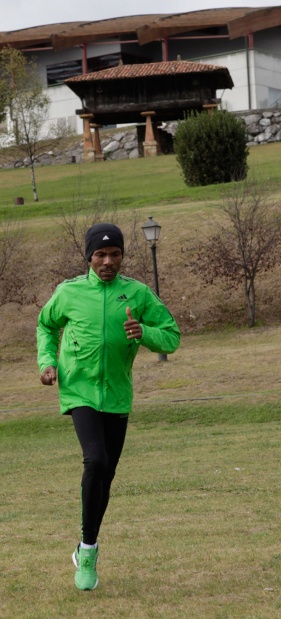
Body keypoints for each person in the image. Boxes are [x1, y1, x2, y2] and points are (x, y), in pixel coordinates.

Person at [37, 222, 180, 591]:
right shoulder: (68, 293)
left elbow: (172, 335)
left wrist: (144, 334)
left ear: (121, 256)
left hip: (117, 395)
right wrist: (47, 362)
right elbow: (45, 325)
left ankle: (87, 543)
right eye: (100, 254)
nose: (107, 261)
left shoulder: (137, 293)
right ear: (89, 257)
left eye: (114, 254)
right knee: (95, 460)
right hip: (79, 390)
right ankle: (87, 552)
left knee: (106, 477)